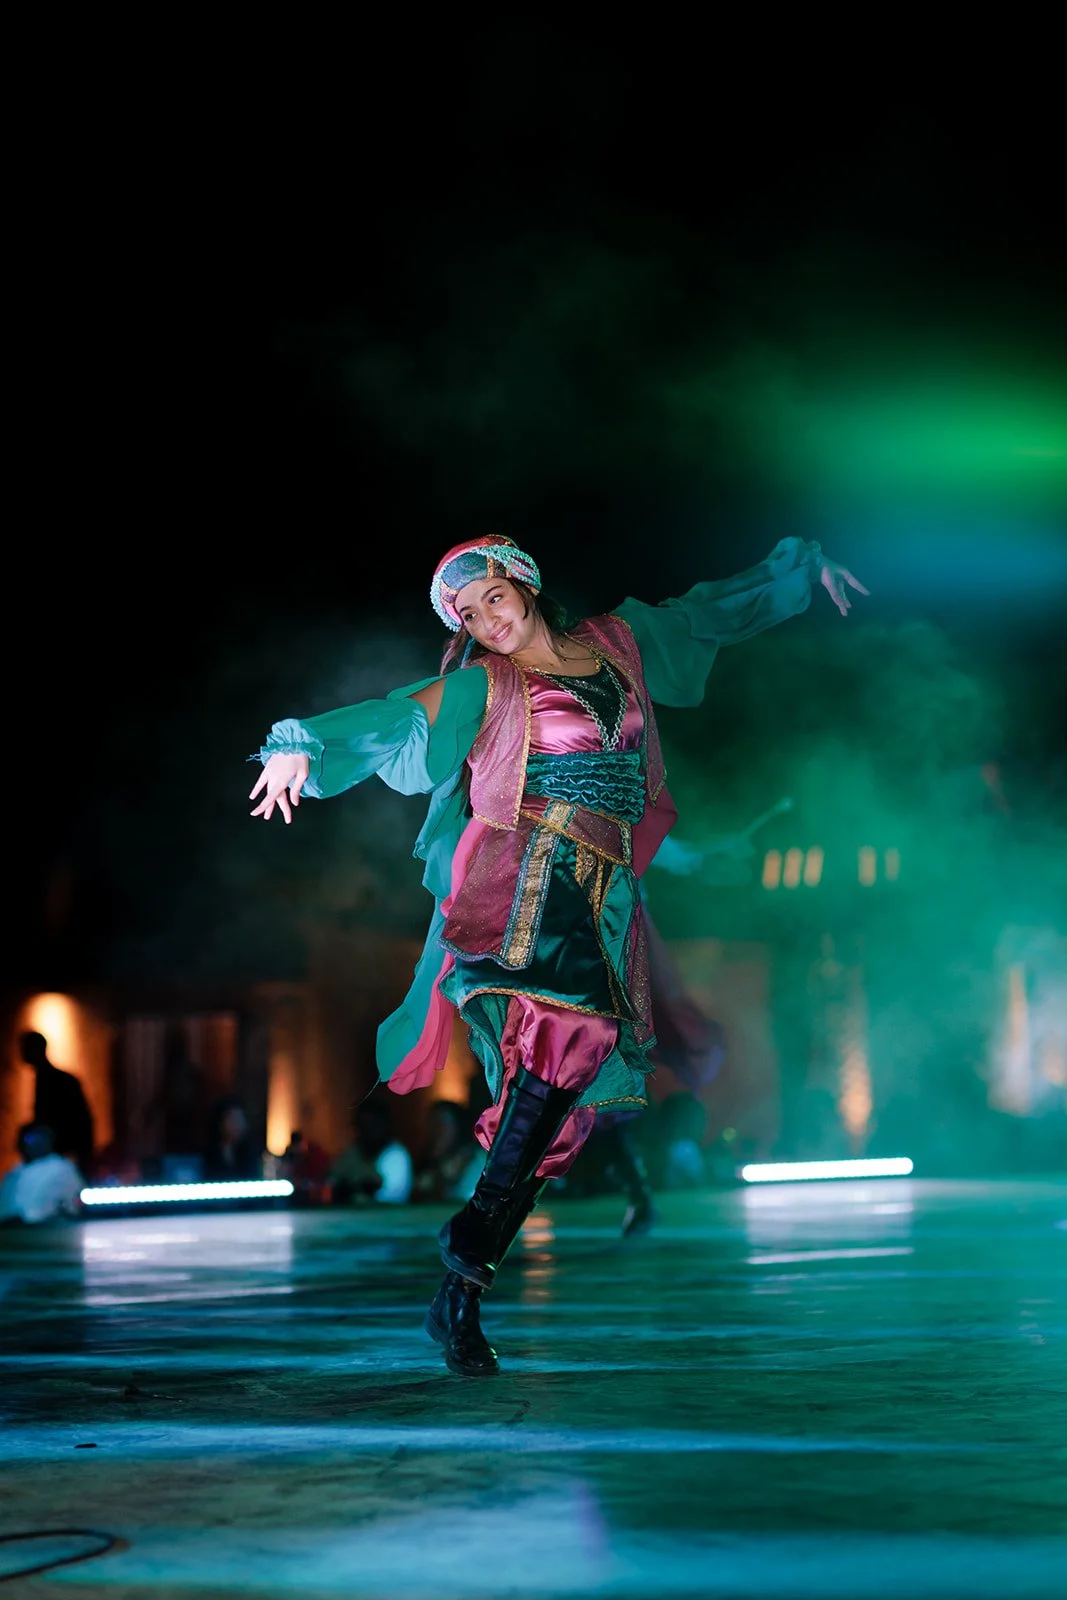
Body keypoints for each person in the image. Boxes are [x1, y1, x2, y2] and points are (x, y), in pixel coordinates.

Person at [249, 533, 867, 1376]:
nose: (484, 619)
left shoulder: (617, 643)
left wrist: (794, 575)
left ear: (526, 583)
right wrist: (305, 743)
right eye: (467, 614)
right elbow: (403, 716)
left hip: (604, 891)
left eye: (491, 597)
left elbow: (704, 614)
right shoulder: (487, 684)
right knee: (573, 1045)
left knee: (566, 1097)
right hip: (526, 875)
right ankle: (469, 1243)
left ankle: (459, 1289)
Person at [18, 1030, 95, 1180]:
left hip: (63, 1155)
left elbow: (80, 1121)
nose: (21, 1053)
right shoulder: (48, 1080)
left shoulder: (55, 1081)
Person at [330, 1100, 414, 1205]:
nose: (367, 1130)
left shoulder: (397, 1155)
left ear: (384, 1124)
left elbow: (393, 1199)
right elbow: (334, 1181)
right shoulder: (351, 1152)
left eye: (372, 1124)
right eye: (362, 1125)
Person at [0, 1123, 83, 1226]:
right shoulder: (14, 1172)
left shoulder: (62, 1168)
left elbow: (71, 1207)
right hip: (9, 1233)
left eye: (41, 1138)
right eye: (29, 1138)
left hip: (46, 1233)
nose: (35, 1143)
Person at [413, 1099, 487, 1203]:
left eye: (444, 1122)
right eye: (432, 1122)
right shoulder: (428, 1159)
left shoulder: (477, 1159)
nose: (437, 1129)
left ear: (458, 1126)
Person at [202, 1094, 262, 1181]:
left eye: (240, 1119)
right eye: (232, 1119)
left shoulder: (252, 1153)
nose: (237, 1125)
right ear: (220, 1122)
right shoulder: (206, 1153)